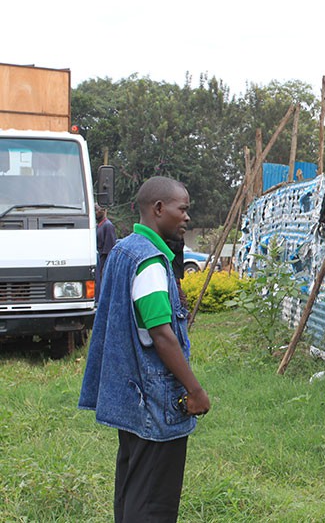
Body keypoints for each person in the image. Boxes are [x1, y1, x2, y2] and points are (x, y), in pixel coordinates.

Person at [79, 176, 210, 522]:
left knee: (133, 490)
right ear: (158, 209)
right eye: (182, 209)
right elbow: (161, 334)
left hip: (131, 396)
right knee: (153, 502)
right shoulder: (151, 263)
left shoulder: (124, 249)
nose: (186, 218)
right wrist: (194, 390)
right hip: (155, 400)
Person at [95, 204, 117, 293]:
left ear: (103, 211)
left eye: (96, 210)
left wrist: (104, 269)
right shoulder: (97, 226)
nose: (95, 213)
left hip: (103, 264)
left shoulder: (108, 226)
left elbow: (110, 249)